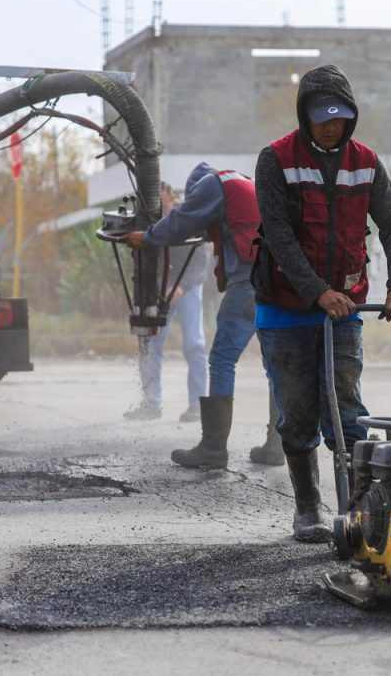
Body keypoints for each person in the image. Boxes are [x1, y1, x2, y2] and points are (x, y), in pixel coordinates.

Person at [252, 64, 391, 543]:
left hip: (345, 309)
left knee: (347, 410)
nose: (331, 125)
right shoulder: (275, 159)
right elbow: (278, 235)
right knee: (297, 413)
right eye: (322, 117)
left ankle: (359, 508)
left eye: (339, 117)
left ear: (351, 117)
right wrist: (316, 291)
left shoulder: (365, 162)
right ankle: (308, 509)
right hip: (286, 309)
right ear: (305, 115)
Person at [121, 164, 283, 467]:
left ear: (195, 190)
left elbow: (183, 222)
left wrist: (148, 236)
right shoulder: (244, 184)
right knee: (276, 365)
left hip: (248, 285)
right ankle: (276, 446)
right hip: (279, 284)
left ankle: (213, 449)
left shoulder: (212, 184)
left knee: (222, 360)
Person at [123, 181, 209, 424]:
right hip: (159, 290)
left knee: (194, 344)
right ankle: (151, 403)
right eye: (154, 206)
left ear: (172, 199)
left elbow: (200, 261)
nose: (159, 210)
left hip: (188, 287)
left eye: (162, 203)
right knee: (151, 343)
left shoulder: (189, 219)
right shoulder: (147, 226)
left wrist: (181, 286)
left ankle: (198, 405)